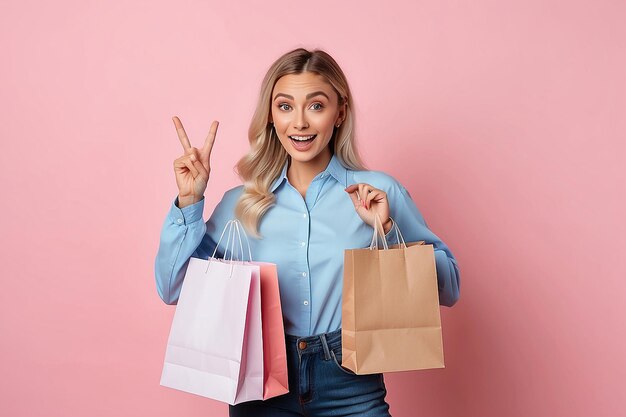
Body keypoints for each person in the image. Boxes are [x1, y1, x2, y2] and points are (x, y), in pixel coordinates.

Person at [155, 47, 460, 417]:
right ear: (271, 115)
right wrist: (189, 202)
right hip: (260, 380)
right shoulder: (240, 204)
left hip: (349, 382)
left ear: (340, 112)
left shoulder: (378, 193)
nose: (299, 122)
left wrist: (388, 230)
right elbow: (172, 288)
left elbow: (449, 288)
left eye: (315, 106)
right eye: (285, 106)